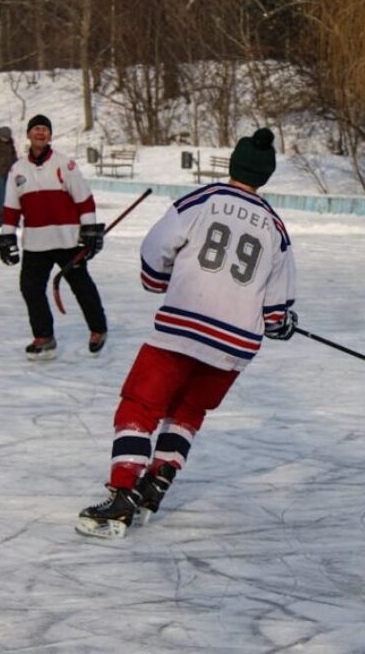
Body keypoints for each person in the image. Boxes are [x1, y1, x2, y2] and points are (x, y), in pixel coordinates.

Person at [76, 127, 298, 539]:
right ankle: (158, 480)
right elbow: (276, 311)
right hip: (234, 347)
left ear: (234, 163)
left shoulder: (203, 200)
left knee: (140, 406)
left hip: (182, 328)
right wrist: (281, 321)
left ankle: (123, 493)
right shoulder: (274, 227)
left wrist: (157, 281)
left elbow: (155, 249)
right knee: (186, 413)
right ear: (264, 175)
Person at [0, 114, 108, 360]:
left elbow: (84, 199)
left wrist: (89, 230)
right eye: (35, 129)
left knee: (81, 286)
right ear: (28, 134)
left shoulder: (65, 164)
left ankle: (98, 329)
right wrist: (7, 237)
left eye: (44, 129)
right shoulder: (18, 170)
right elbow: (11, 208)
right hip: (35, 243)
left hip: (67, 239)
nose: (40, 133)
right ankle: (44, 336)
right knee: (30, 288)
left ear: (50, 135)